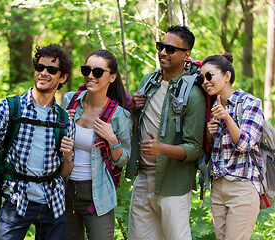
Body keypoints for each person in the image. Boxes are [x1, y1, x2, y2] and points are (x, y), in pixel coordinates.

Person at [0, 43, 75, 240]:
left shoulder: (65, 120)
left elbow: (65, 171)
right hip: (17, 199)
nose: (43, 73)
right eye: (39, 67)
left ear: (63, 77)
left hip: (53, 202)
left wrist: (68, 156)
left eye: (51, 69)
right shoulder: (11, 107)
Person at [125, 25, 206, 240]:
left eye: (170, 49)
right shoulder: (148, 81)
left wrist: (162, 149)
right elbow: (136, 124)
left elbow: (194, 148)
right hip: (143, 178)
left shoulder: (194, 94)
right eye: (161, 46)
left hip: (173, 183)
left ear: (186, 54)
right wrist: (133, 108)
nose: (163, 52)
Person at [62, 49, 133, 240]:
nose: (90, 76)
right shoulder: (69, 101)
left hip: (97, 195)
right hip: (65, 191)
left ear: (112, 77)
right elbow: (56, 144)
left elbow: (123, 160)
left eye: (98, 72)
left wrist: (112, 140)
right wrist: (61, 125)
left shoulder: (120, 116)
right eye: (87, 70)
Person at [200, 53, 264, 240]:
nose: (205, 81)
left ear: (227, 76)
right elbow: (215, 152)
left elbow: (245, 144)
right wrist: (208, 135)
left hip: (243, 187)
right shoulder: (212, 106)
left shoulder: (250, 103)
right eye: (202, 78)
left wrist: (227, 118)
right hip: (218, 186)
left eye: (209, 75)